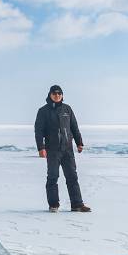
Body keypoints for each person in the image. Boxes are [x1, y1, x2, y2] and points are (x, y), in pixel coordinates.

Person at [34, 85, 91, 213]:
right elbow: (38, 131)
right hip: (52, 149)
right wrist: (41, 147)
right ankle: (53, 205)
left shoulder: (67, 109)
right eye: (54, 93)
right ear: (50, 95)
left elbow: (74, 127)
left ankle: (77, 204)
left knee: (72, 176)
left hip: (67, 149)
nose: (57, 95)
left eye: (59, 93)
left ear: (62, 95)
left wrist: (79, 142)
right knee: (53, 177)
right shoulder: (43, 111)